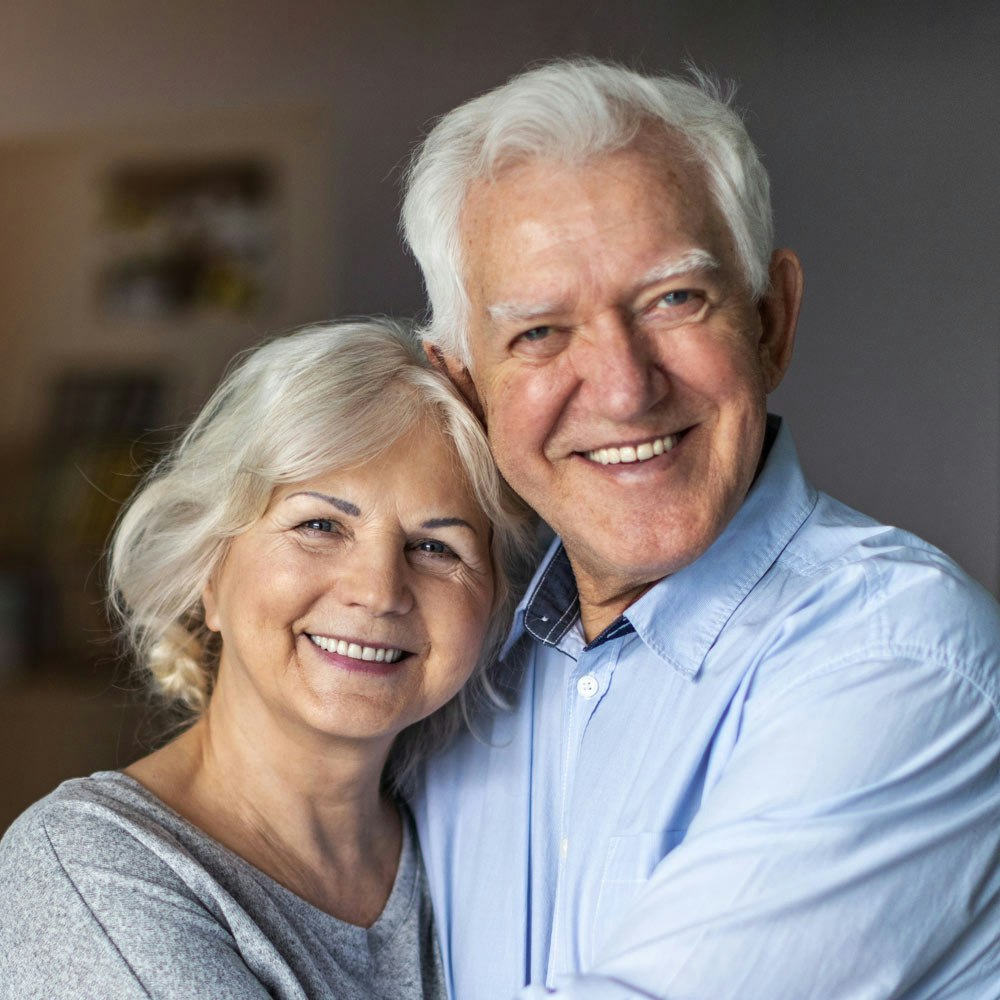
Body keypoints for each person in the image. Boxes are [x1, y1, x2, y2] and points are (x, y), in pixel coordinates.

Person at [400, 58, 1000, 998]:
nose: (627, 388)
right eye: (541, 333)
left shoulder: (901, 658)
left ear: (773, 322)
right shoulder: (452, 663)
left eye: (674, 300)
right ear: (463, 387)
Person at [0, 318, 534, 999]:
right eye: (320, 525)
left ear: (492, 606)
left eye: (437, 547)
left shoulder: (481, 843)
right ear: (210, 571)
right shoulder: (89, 868)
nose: (377, 591)